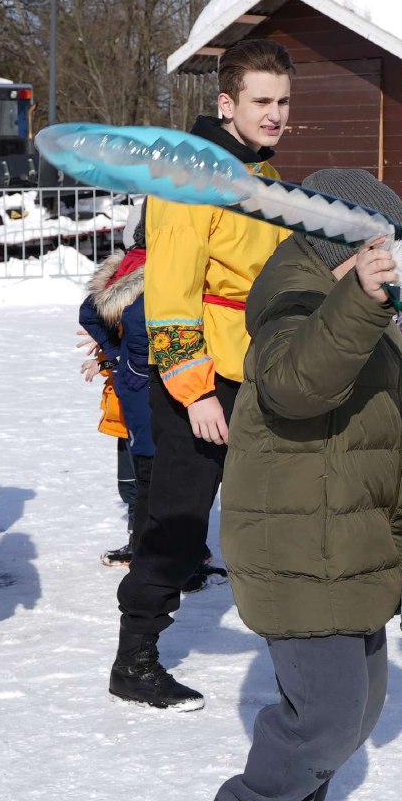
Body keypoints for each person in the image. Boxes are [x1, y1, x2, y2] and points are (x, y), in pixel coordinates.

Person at [197, 169, 402, 801]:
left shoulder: (364, 312)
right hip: (296, 547)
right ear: (344, 239)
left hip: (351, 543)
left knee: (358, 709)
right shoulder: (291, 300)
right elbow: (297, 385)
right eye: (382, 245)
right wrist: (360, 300)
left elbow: (371, 439)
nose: (393, 262)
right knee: (326, 715)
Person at [113, 39, 294, 712]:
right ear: (226, 103)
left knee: (275, 514)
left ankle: (297, 653)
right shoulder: (190, 178)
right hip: (202, 379)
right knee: (180, 521)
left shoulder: (266, 173)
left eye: (283, 102)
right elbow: (171, 290)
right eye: (261, 101)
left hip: (260, 369)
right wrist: (194, 390)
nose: (275, 114)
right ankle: (135, 659)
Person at [81, 231, 153, 564]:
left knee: (138, 479)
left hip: (131, 397)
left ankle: (144, 545)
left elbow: (92, 316)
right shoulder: (133, 278)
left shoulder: (125, 277)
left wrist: (109, 355)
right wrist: (109, 356)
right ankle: (145, 543)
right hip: (132, 396)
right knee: (141, 479)